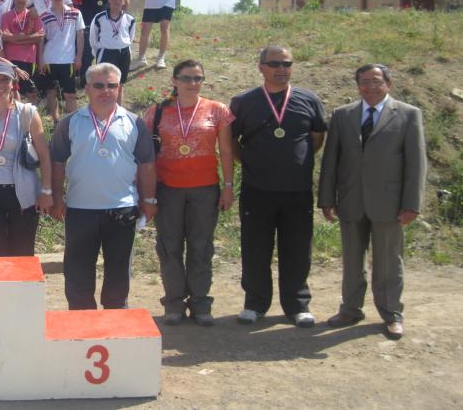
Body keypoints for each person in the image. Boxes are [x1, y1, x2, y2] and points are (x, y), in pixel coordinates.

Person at [318, 64, 427, 340]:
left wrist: (412, 203)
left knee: (389, 261)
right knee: (352, 259)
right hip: (351, 200)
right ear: (357, 85)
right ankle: (350, 309)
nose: (369, 86)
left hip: (390, 203)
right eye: (364, 81)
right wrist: (327, 198)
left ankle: (392, 315)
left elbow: (416, 164)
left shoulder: (408, 114)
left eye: (376, 81)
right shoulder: (343, 115)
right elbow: (331, 160)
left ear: (388, 83)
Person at [229, 45, 327, 327]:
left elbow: (317, 138)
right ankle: (255, 304)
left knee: (297, 248)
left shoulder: (309, 99)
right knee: (255, 247)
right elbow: (233, 143)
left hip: (297, 190)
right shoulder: (244, 101)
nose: (280, 69)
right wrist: (250, 163)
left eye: (286, 63)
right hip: (257, 189)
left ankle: (297, 305)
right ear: (261, 67)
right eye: (274, 64)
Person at [49, 63, 157, 310]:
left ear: (119, 89)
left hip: (122, 208)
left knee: (119, 272)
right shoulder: (70, 122)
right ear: (87, 88)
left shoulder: (134, 123)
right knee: (78, 272)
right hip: (79, 209)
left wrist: (149, 200)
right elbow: (56, 162)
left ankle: (115, 318)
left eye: (112, 86)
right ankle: (81, 320)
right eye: (99, 85)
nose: (105, 91)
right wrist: (57, 197)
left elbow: (147, 164)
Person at [144, 60, 235, 327]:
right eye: (186, 78)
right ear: (174, 80)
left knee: (201, 246)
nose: (192, 84)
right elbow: (147, 154)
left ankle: (200, 303)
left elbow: (227, 152)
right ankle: (173, 303)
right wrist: (147, 192)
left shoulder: (218, 111)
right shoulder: (157, 111)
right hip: (168, 188)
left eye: (198, 78)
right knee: (169, 246)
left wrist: (228, 187)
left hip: (205, 189)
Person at [0, 62, 53, 256]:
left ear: (13, 82)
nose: (0, 84)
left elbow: (44, 154)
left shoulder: (27, 113)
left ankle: (20, 288)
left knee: (22, 253)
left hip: (22, 192)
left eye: (5, 79)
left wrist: (46, 190)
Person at [37, 0, 85, 125]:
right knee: (51, 93)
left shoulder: (75, 12)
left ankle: (72, 123)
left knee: (70, 94)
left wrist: (79, 57)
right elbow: (40, 39)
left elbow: (80, 35)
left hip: (68, 60)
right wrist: (40, 59)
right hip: (49, 59)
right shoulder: (44, 15)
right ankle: (56, 121)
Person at [89, 0, 136, 104]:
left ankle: (118, 110)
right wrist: (97, 52)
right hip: (106, 52)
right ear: (109, 0)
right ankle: (102, 107)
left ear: (124, 2)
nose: (117, 1)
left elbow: (131, 37)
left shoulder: (130, 19)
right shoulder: (99, 17)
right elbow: (93, 38)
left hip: (124, 53)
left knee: (120, 84)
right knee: (103, 83)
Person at [0, 0, 43, 104]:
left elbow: (39, 37)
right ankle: (14, 115)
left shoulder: (33, 15)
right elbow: (5, 37)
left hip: (30, 58)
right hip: (11, 58)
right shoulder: (6, 16)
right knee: (13, 89)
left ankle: (32, 117)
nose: (20, 0)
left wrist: (18, 38)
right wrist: (29, 38)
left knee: (31, 92)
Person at [73, 0, 115, 83]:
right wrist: (70, 5)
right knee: (87, 54)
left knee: (104, 54)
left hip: (106, 26)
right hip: (87, 25)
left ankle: (103, 80)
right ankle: (83, 81)